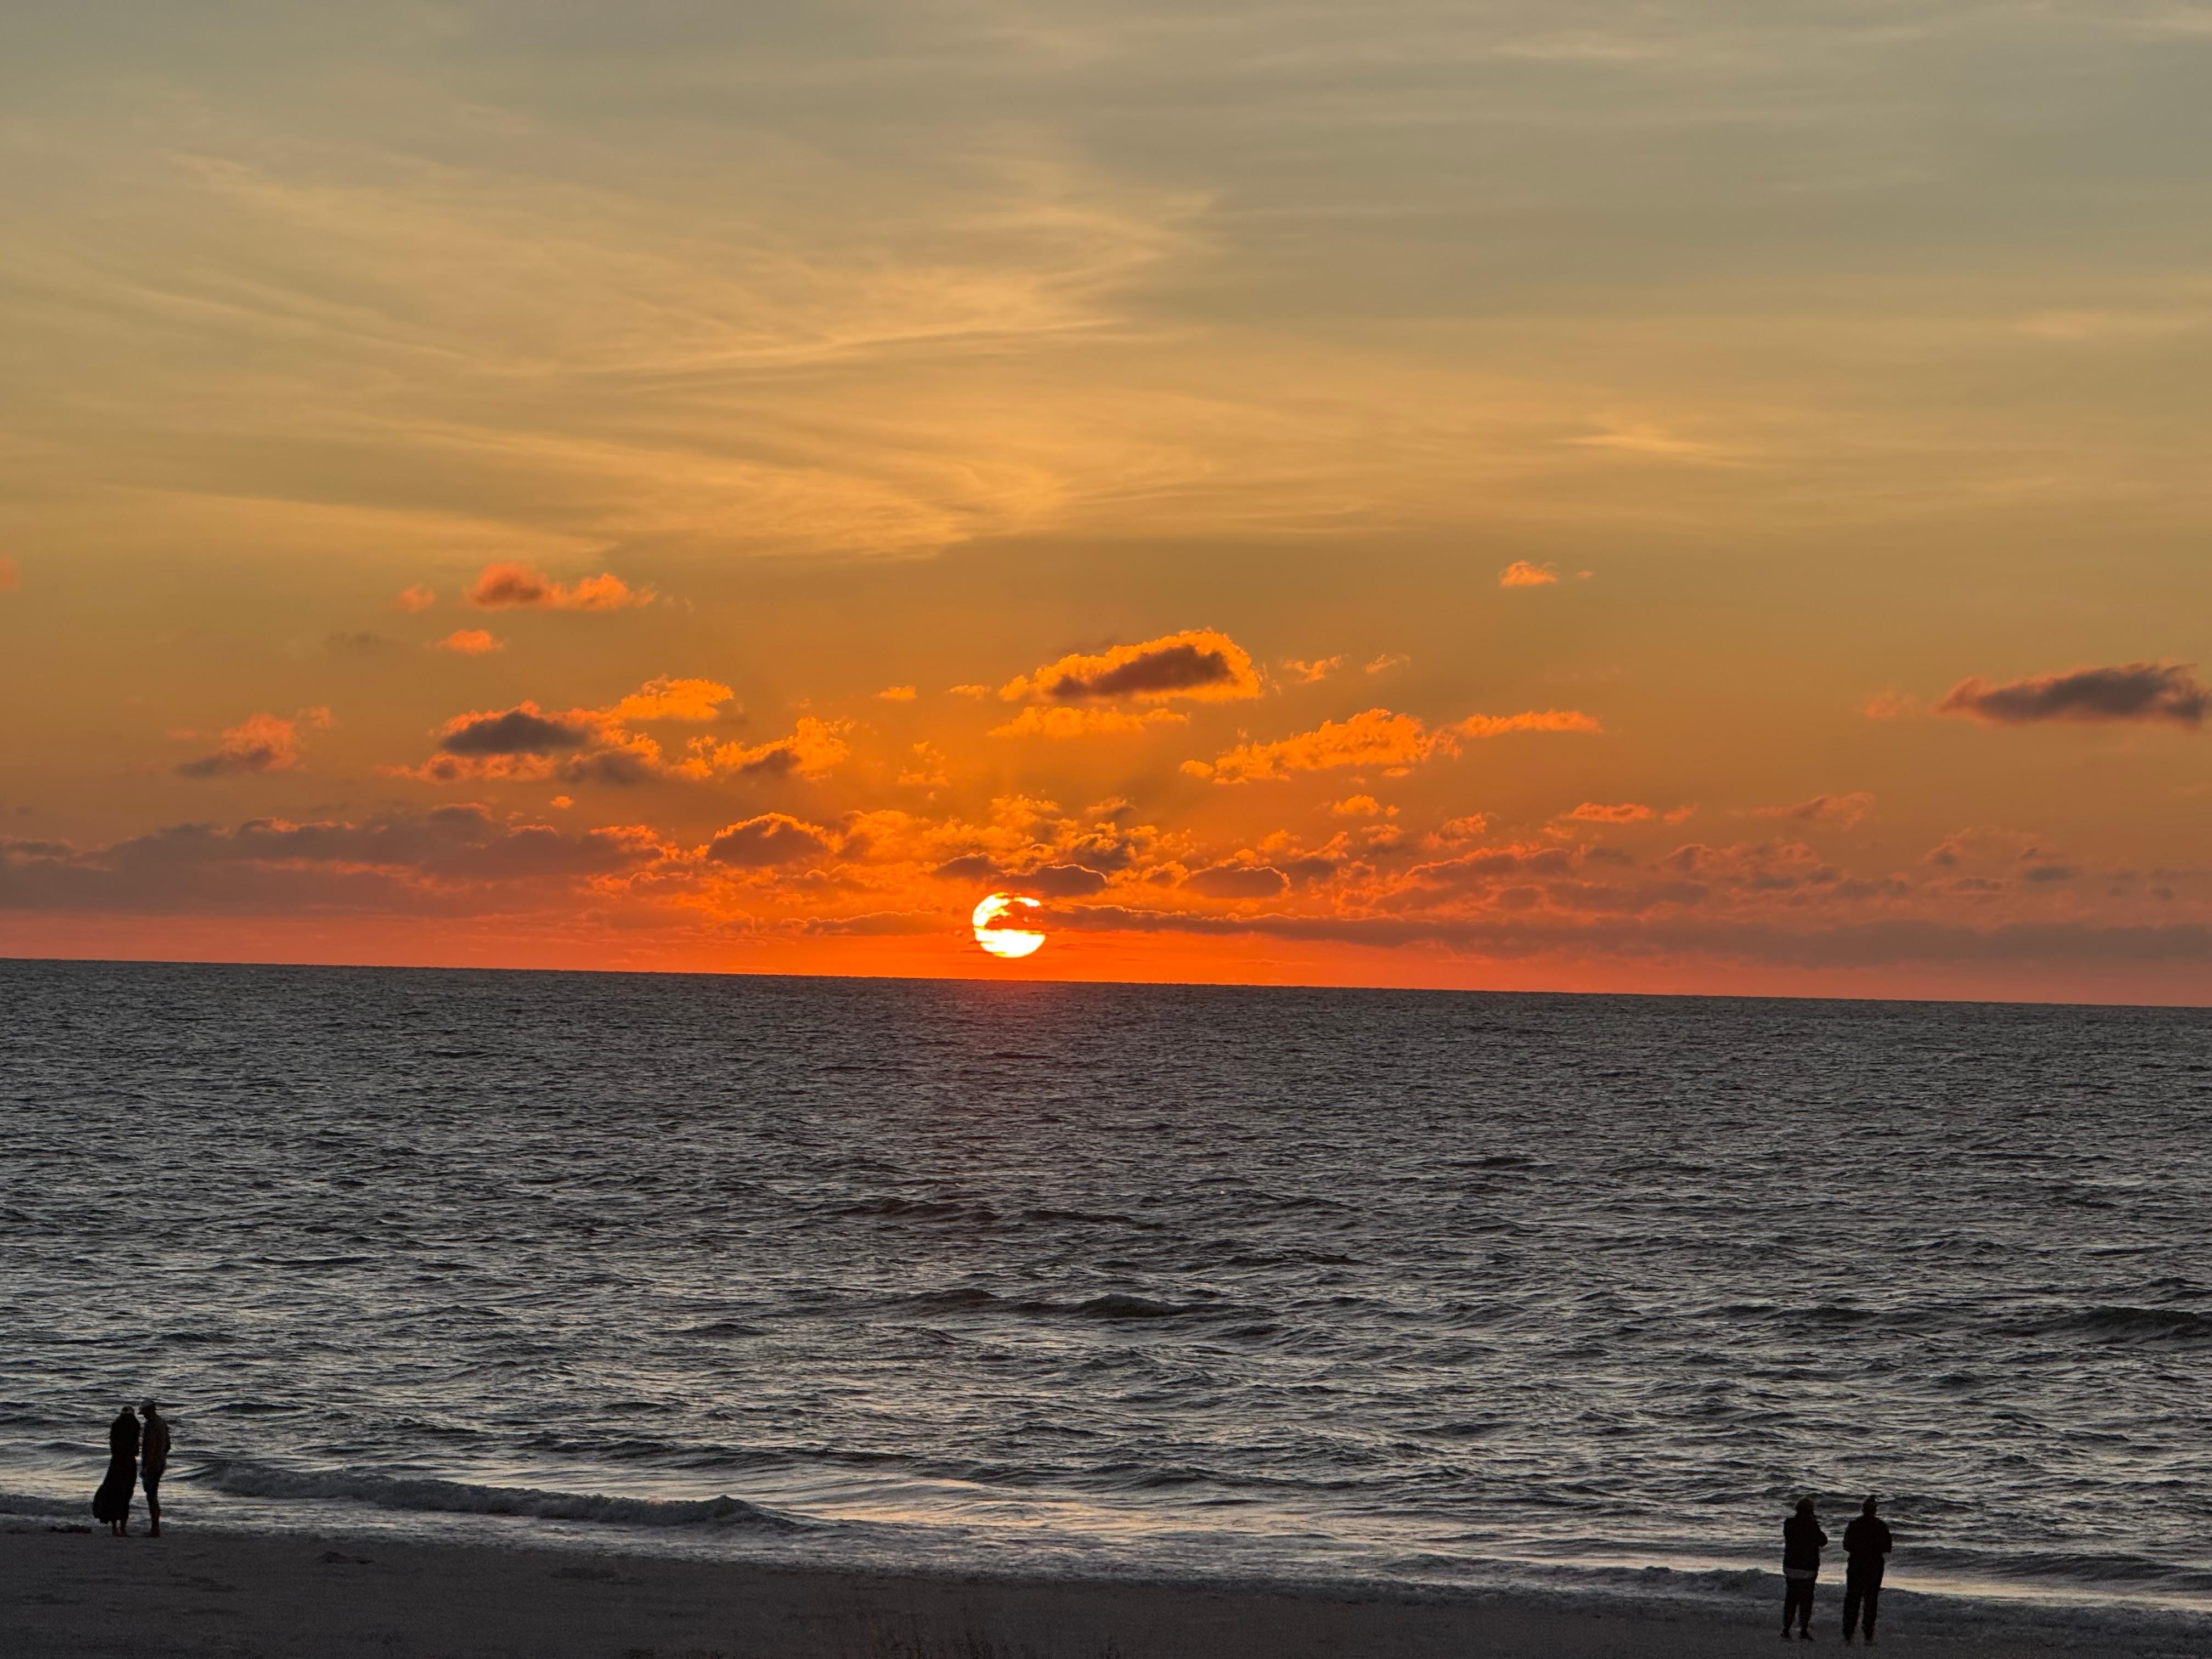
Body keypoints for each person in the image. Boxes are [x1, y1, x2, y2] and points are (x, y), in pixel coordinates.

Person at [1842, 1496, 1893, 1644]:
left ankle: (1848, 1633)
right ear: (1875, 1511)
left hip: (1856, 1565)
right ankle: (1868, 1634)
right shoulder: (1880, 1526)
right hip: (1874, 1567)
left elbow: (1847, 1545)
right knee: (1871, 1601)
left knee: (1852, 1599)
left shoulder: (1854, 1525)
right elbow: (1888, 1547)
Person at [1781, 1497, 1827, 1640]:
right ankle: (1803, 1630)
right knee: (1806, 1600)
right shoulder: (1812, 1526)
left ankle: (1787, 1629)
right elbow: (1823, 1541)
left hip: (1791, 1566)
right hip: (1808, 1568)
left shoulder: (1789, 1524)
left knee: (1791, 1599)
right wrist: (1814, 1522)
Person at [91, 1405, 139, 1536]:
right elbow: (136, 1449)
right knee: (126, 1495)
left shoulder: (116, 1425)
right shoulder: (135, 1425)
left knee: (113, 1493)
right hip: (129, 1464)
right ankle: (123, 1528)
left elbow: (112, 1445)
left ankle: (114, 1527)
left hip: (116, 1464)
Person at [139, 1401, 172, 1538]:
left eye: (144, 1412)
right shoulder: (162, 1423)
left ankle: (155, 1529)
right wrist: (161, 1458)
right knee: (154, 1495)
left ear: (150, 1411)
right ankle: (155, 1527)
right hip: (161, 1464)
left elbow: (151, 1448)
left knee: (151, 1496)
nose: (144, 1416)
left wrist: (147, 1467)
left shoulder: (151, 1425)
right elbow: (168, 1446)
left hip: (152, 1466)